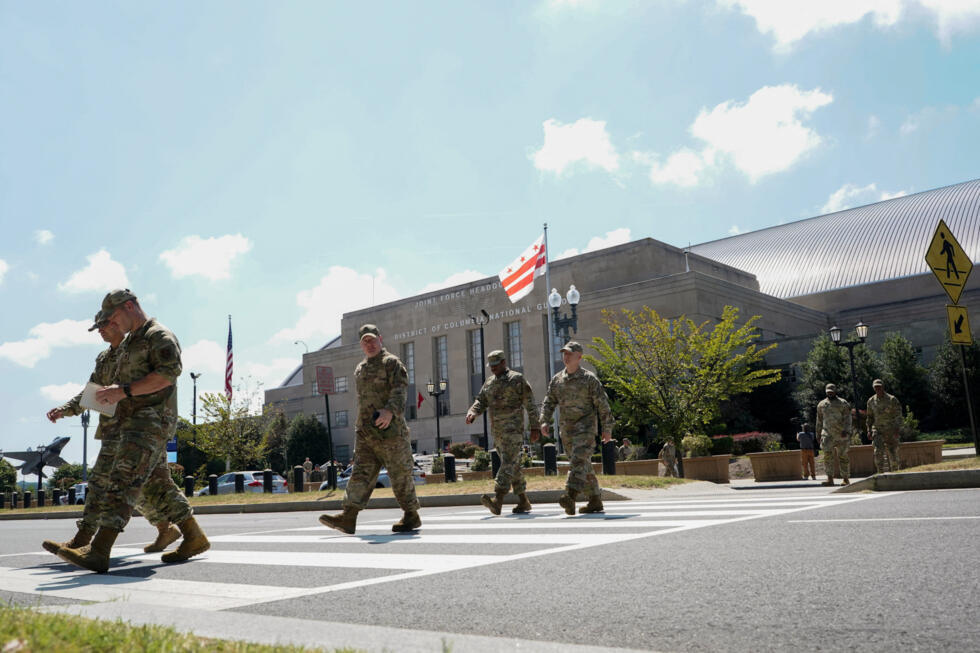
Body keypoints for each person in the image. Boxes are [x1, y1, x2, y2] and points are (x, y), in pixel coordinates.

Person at [58, 289, 208, 573]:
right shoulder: (129, 345)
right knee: (154, 485)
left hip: (152, 420)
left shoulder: (158, 336)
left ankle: (99, 549)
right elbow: (98, 390)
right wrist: (73, 407)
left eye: (113, 317)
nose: (112, 324)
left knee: (122, 479)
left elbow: (166, 376)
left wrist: (122, 392)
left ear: (129, 306)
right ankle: (193, 536)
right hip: (128, 424)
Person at [43, 313, 181, 557]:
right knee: (123, 485)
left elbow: (158, 380)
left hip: (142, 427)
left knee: (132, 484)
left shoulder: (137, 349)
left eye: (104, 324)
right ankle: (166, 529)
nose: (101, 331)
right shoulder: (105, 358)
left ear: (118, 322)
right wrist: (65, 409)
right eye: (98, 327)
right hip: (115, 429)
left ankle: (91, 542)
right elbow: (91, 393)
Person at [319, 324, 421, 534]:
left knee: (399, 475)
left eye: (373, 339)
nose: (370, 344)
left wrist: (389, 411)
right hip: (366, 434)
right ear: (361, 344)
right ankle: (349, 517)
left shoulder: (391, 363)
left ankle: (411, 515)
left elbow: (400, 390)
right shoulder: (360, 369)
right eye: (365, 341)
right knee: (360, 475)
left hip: (390, 433)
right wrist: (359, 428)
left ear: (380, 339)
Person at [540, 341, 614, 515]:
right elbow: (548, 402)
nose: (565, 357)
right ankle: (595, 500)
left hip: (586, 429)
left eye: (569, 354)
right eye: (564, 353)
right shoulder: (557, 380)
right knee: (583, 464)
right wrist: (544, 420)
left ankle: (570, 496)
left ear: (579, 357)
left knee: (578, 461)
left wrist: (607, 427)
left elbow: (603, 404)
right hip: (567, 431)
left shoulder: (589, 379)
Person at [465, 350, 540, 515]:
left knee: (507, 464)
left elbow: (530, 404)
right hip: (497, 432)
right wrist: (473, 412)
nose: (493, 369)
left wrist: (535, 426)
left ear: (503, 363)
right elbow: (481, 400)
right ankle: (523, 501)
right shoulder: (490, 382)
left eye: (495, 365)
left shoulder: (517, 379)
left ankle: (497, 500)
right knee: (512, 465)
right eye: (490, 366)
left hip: (513, 430)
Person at [815, 383, 852, 486]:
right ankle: (829, 478)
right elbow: (819, 420)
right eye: (828, 392)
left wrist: (846, 430)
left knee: (843, 456)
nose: (830, 393)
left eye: (831, 392)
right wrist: (818, 434)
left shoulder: (843, 403)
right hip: (827, 435)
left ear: (835, 391)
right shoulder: (821, 404)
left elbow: (848, 418)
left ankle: (845, 478)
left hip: (841, 435)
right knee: (827, 457)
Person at [866, 379, 903, 473]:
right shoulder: (871, 401)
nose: (877, 388)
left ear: (883, 387)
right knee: (878, 452)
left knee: (892, 453)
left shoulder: (892, 399)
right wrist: (869, 430)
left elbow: (898, 415)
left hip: (891, 430)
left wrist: (897, 429)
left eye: (879, 386)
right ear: (873, 388)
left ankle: (895, 474)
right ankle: (880, 473)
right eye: (875, 387)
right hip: (877, 431)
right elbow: (869, 417)